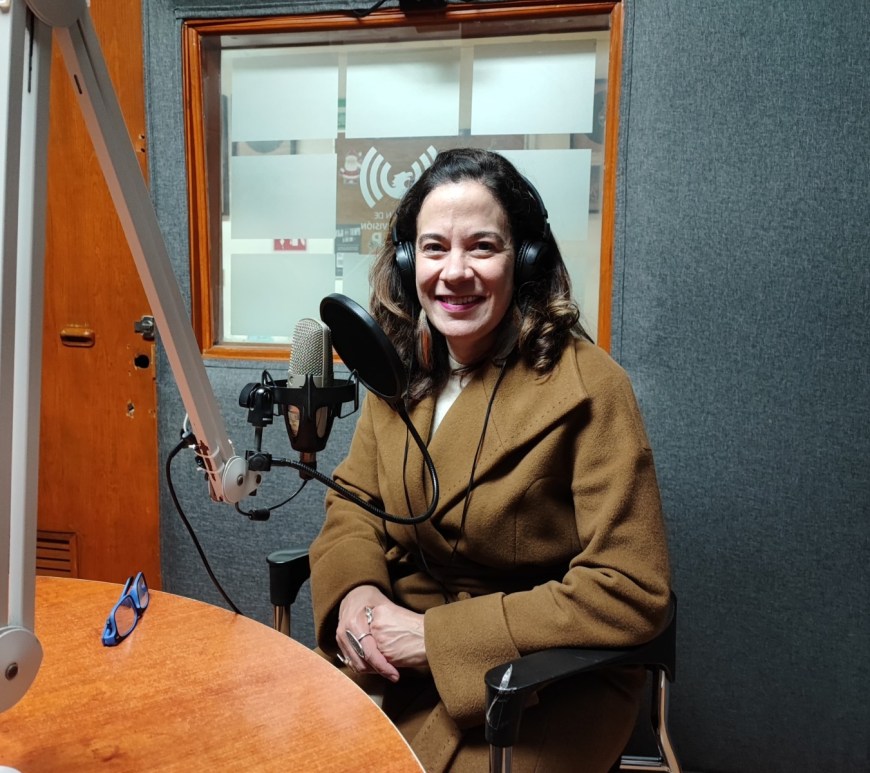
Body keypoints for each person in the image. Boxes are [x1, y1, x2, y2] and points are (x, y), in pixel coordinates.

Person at [309, 148, 671, 772]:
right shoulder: (398, 370)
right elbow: (354, 505)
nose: (454, 272)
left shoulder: (591, 387)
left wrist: (434, 639)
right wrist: (357, 595)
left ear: (522, 260)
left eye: (482, 247)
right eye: (434, 248)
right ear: (408, 261)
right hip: (393, 651)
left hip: (541, 677)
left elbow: (631, 588)